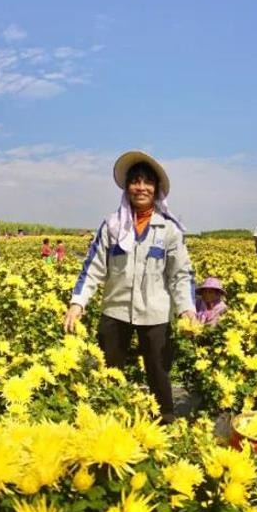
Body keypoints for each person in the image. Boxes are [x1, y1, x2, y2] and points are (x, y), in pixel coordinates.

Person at [63, 150, 195, 425]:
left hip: (155, 313)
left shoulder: (168, 229)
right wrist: (78, 303)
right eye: (135, 181)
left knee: (159, 373)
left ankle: (166, 422)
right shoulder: (112, 226)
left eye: (148, 182)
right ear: (127, 187)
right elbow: (93, 267)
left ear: (156, 189)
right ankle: (106, 423)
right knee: (108, 371)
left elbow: (180, 274)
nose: (141, 187)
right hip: (116, 309)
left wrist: (186, 310)